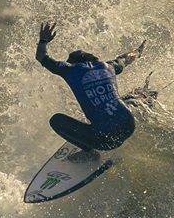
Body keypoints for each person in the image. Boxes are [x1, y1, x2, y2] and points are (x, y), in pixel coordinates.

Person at [35, 21, 146, 157]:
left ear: (73, 63)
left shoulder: (70, 70)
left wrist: (43, 40)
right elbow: (126, 58)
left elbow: (41, 56)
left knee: (56, 120)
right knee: (115, 101)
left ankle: (89, 153)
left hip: (105, 140)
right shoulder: (108, 66)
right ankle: (145, 97)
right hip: (129, 125)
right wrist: (139, 51)